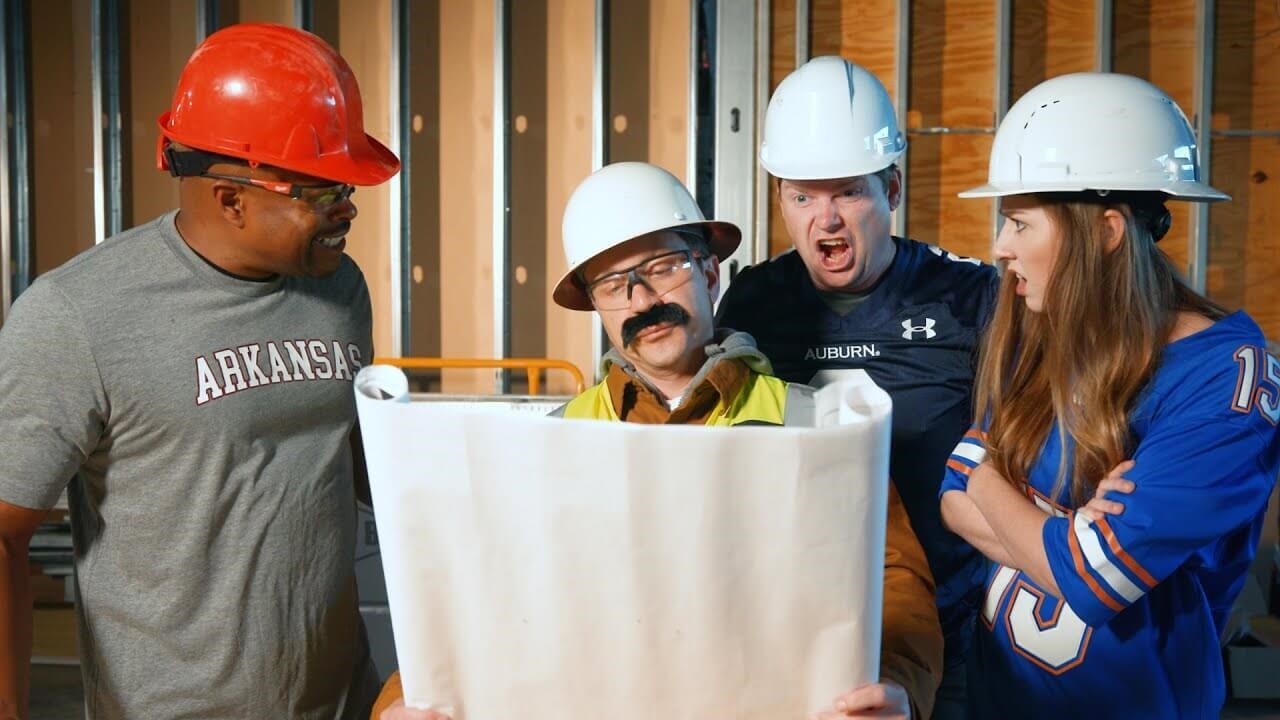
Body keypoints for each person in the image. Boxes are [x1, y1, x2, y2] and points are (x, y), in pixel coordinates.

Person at [373, 162, 942, 720]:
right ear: (597, 308)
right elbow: (474, 591)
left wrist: (896, 686)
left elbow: (895, 581)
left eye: (663, 266)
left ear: (710, 273)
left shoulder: (818, 426)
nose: (643, 300)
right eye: (615, 285)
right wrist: (402, 699)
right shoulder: (550, 443)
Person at [0, 23, 399, 720]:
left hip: (342, 701)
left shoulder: (339, 289)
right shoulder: (78, 316)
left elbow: (346, 461)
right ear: (231, 198)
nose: (347, 209)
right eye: (320, 191)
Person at [938, 72, 1279, 718]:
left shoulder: (1226, 377)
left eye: (1019, 223)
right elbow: (953, 492)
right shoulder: (1045, 329)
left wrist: (990, 486)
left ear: (1106, 232)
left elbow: (1094, 580)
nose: (999, 247)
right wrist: (1049, 528)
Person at [716, 56, 996, 717]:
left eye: (848, 191)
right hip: (798, 628)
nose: (827, 219)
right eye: (803, 196)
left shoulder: (969, 298)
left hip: (949, 628)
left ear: (891, 188)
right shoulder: (754, 301)